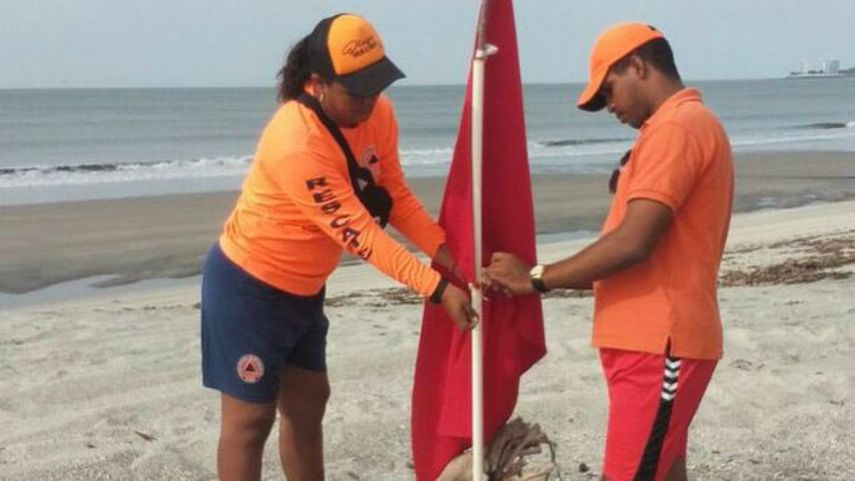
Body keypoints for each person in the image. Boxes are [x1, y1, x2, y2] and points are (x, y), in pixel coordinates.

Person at [200, 13, 477, 481]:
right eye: (356, 91)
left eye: (377, 87)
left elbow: (394, 197)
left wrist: (450, 256)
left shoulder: (378, 115)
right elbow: (360, 235)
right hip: (249, 287)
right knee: (251, 421)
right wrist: (437, 288)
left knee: (309, 404)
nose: (370, 101)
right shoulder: (296, 140)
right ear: (318, 84)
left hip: (306, 290)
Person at [484, 23, 733, 481]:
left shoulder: (677, 127)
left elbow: (633, 243)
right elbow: (623, 253)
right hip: (653, 343)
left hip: (661, 343)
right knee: (663, 468)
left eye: (609, 90)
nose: (609, 107)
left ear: (638, 66)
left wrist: (536, 277)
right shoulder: (675, 127)